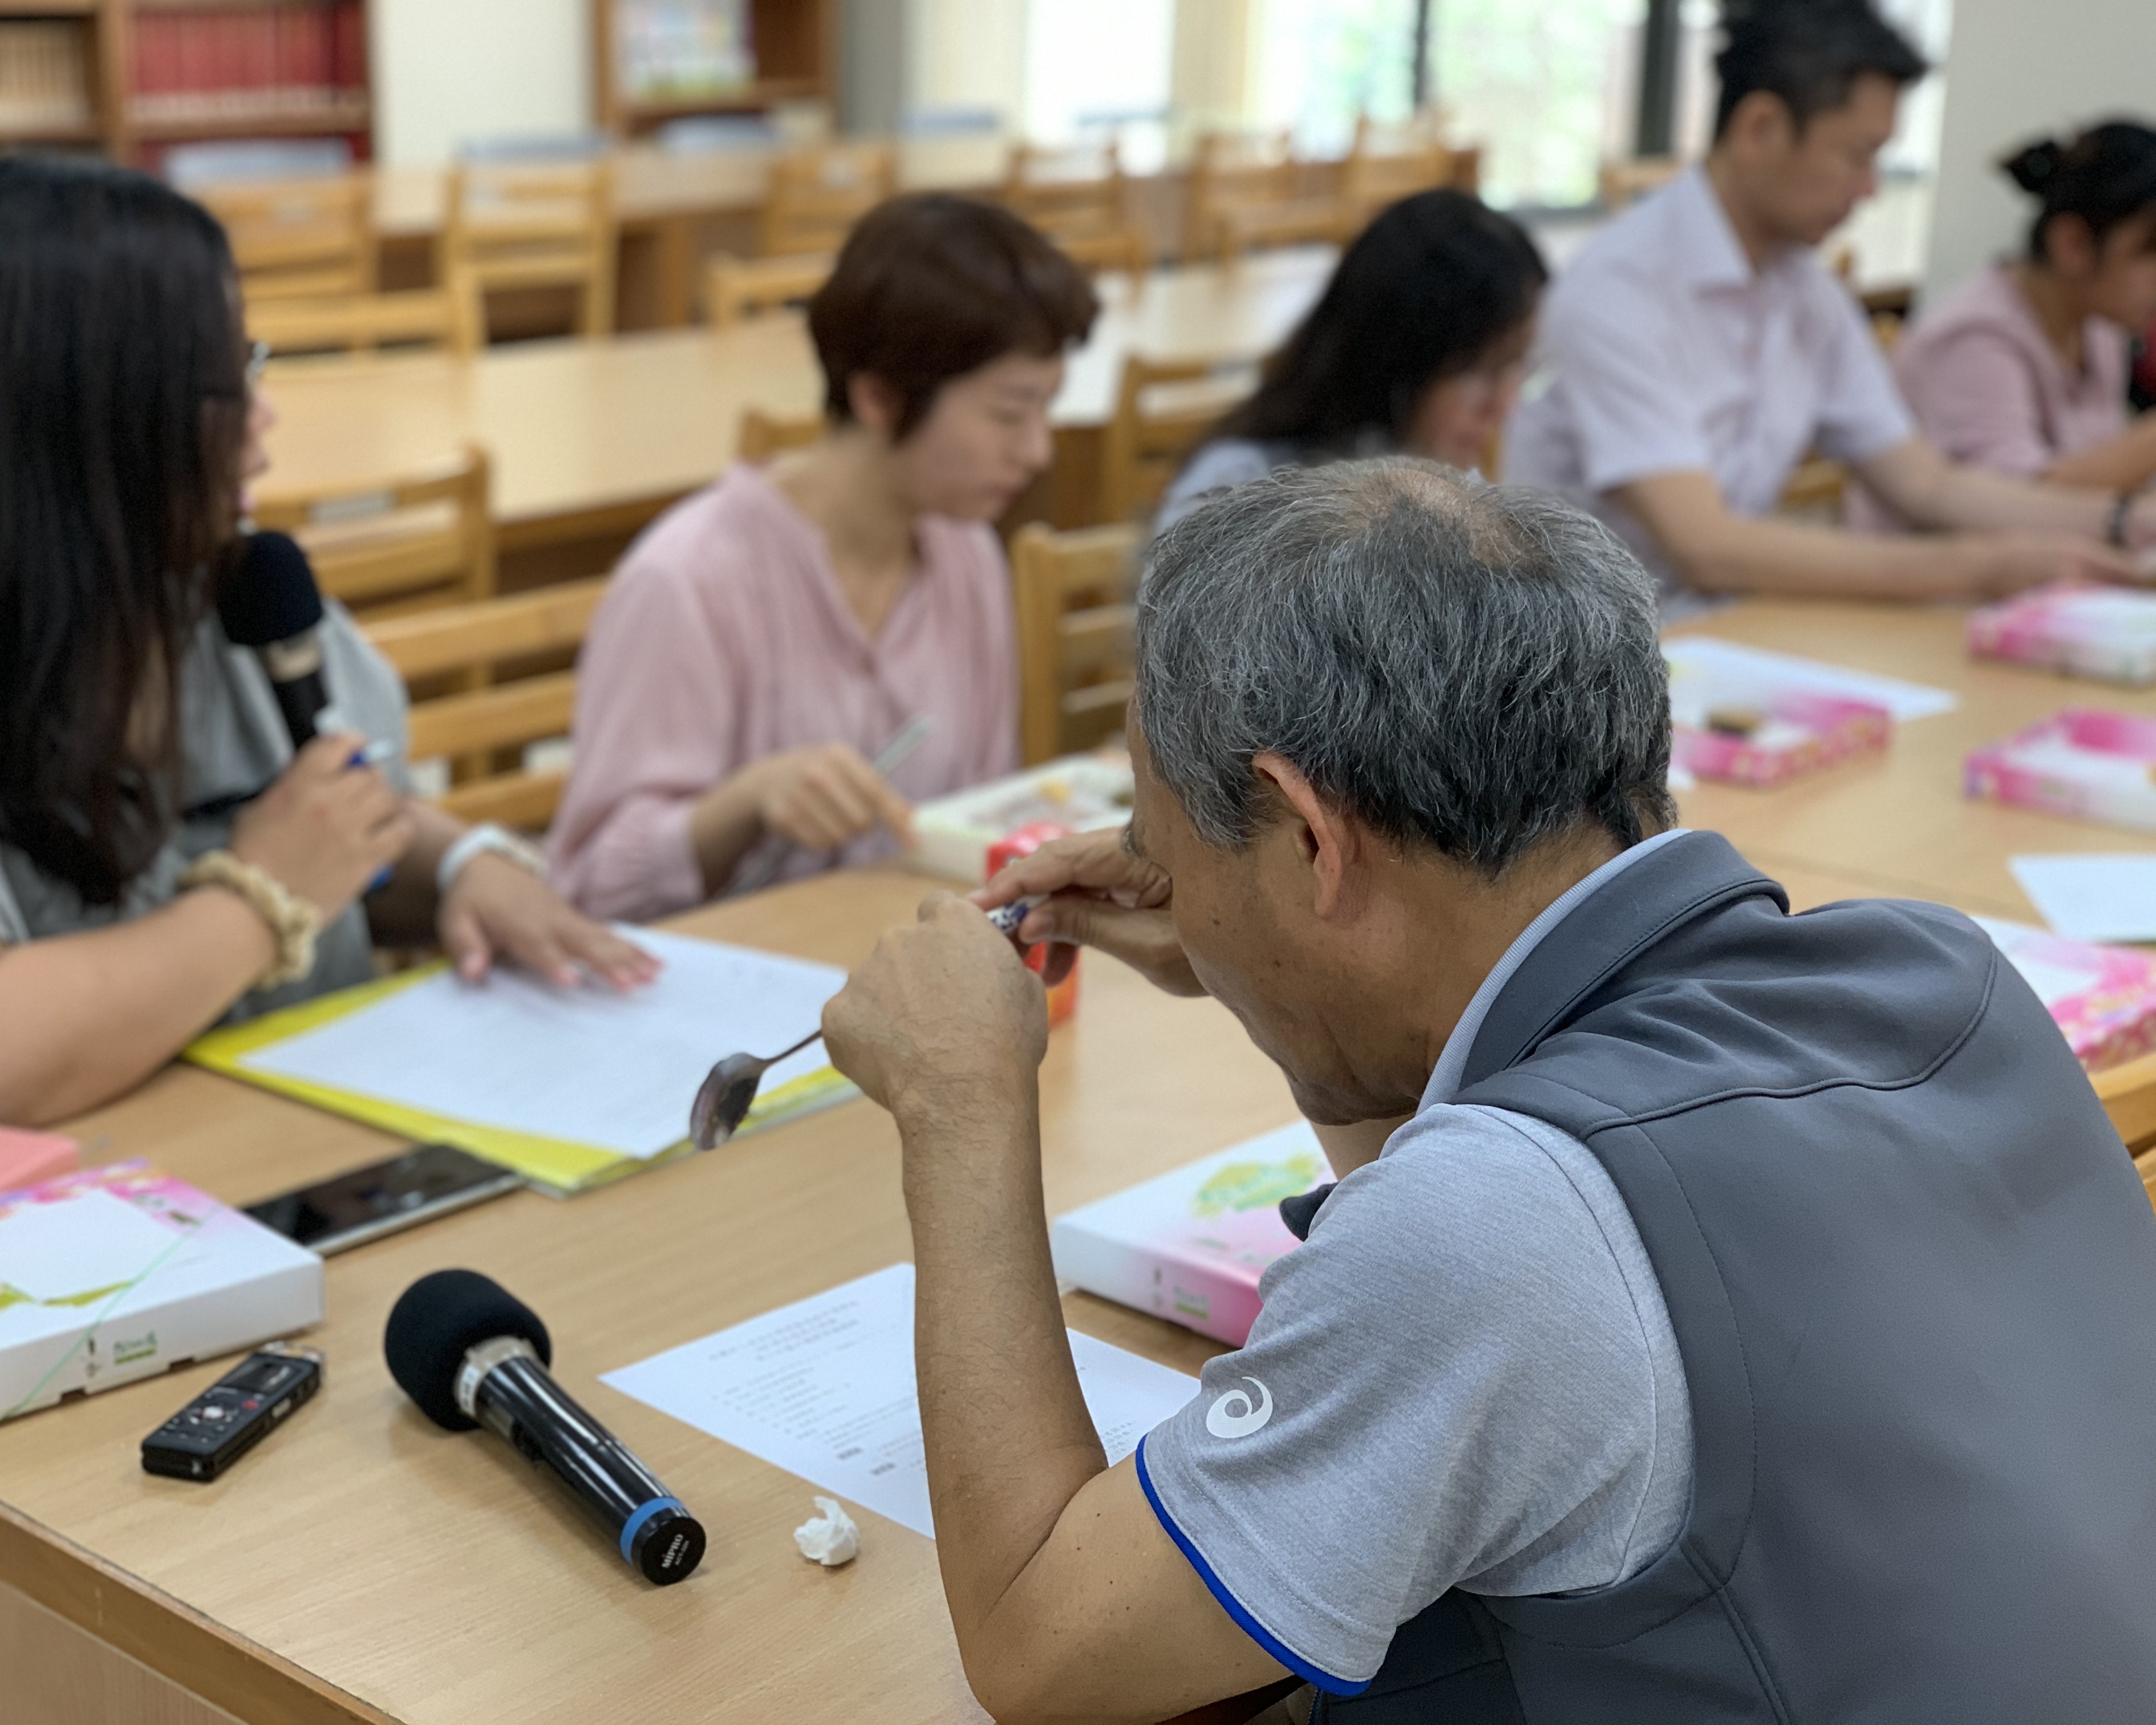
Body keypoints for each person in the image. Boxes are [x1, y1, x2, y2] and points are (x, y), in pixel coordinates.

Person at [817, 460, 2156, 1722]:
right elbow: (1483, 1223)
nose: (1178, 893)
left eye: (1174, 847)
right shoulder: (1934, 972)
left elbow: (1046, 1649)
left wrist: (961, 1105)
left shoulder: (1497, 1232)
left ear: (1311, 838)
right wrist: (1255, 956)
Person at [0, 157, 653, 1127]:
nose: (263, 413)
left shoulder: (222, 592)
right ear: (87, 421)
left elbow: (330, 831)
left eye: (254, 362)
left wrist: (460, 864)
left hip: (308, 1165)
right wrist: (258, 898)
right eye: (226, 379)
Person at [548, 195, 1097, 922]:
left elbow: (978, 821)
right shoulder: (688, 579)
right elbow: (586, 888)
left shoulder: (968, 554)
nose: (1037, 451)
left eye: (1046, 409)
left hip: (907, 960)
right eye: (1009, 413)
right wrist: (745, 802)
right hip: (740, 978)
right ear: (878, 397)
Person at [1502, 0, 2153, 612]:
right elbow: (1706, 547)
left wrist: (2122, 520)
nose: (1869, 189)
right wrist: (1984, 567)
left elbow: (1924, 483)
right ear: (1760, 128)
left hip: (1721, 636)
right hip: (1583, 659)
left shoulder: (1804, 291)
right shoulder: (1618, 288)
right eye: (1857, 155)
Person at [1156, 188, 1545, 531]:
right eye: (1481, 369)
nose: (1504, 405)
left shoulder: (1445, 484)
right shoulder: (1241, 495)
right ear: (1397, 360)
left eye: (1518, 364)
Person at [1853, 121, 2156, 528]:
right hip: (1934, 566)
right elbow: (2015, 506)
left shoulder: (2099, 328)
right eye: (2149, 254)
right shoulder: (1974, 338)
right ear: (2073, 244)